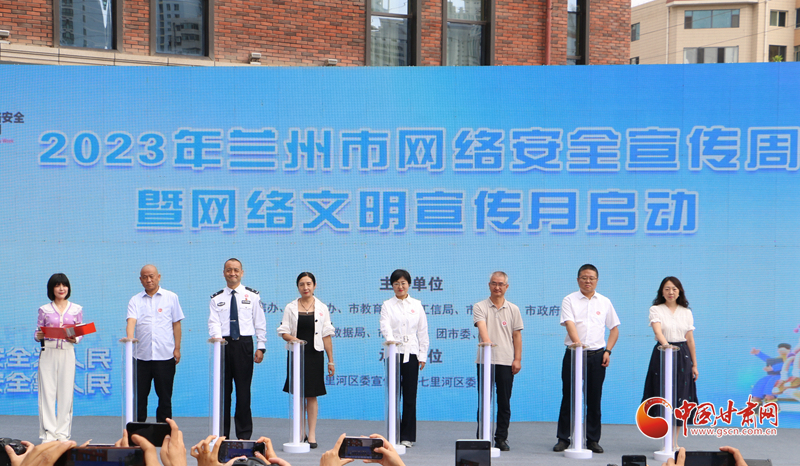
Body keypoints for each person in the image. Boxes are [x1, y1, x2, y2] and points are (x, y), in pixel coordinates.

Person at [554, 264, 620, 454]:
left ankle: (592, 440)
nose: (587, 281)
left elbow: (614, 329)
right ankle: (563, 438)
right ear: (578, 280)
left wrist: (608, 351)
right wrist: (578, 345)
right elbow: (569, 324)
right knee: (569, 397)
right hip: (574, 354)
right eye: (584, 278)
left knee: (594, 398)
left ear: (597, 280)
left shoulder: (605, 302)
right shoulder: (569, 299)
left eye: (591, 278)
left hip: (597, 356)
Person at [209, 258, 267, 440]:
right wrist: (218, 339)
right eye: (228, 270)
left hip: (244, 345)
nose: (232, 273)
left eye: (236, 270)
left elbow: (260, 322)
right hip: (223, 346)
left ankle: (243, 436)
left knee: (243, 393)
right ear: (223, 273)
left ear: (242, 273)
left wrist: (261, 346)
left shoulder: (252, 296)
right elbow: (213, 323)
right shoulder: (216, 298)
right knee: (223, 394)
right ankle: (221, 436)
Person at [277, 272, 336, 449]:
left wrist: (331, 360)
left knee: (312, 394)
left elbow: (326, 335)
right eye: (302, 284)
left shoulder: (322, 307)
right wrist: (293, 339)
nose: (305, 287)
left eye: (309, 284)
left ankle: (311, 435)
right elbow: (283, 331)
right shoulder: (290, 307)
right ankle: (300, 432)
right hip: (296, 354)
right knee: (298, 395)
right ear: (298, 287)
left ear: (315, 285)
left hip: (314, 355)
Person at [126, 264, 185, 423]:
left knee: (165, 397)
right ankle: (137, 431)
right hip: (141, 357)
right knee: (139, 397)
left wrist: (177, 348)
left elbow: (176, 324)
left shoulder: (171, 297)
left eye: (151, 276)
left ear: (158, 277)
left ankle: (164, 431)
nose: (148, 280)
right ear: (140, 280)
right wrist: (129, 339)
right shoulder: (135, 300)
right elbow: (131, 321)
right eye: (145, 277)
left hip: (165, 356)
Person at [473, 271, 523, 452]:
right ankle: (482, 437)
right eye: (494, 283)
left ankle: (501, 438)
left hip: (506, 360)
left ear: (506, 287)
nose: (497, 287)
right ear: (489, 285)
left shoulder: (513, 309)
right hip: (485, 361)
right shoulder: (480, 306)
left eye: (501, 284)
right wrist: (487, 342)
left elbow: (516, 336)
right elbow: (482, 327)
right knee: (484, 402)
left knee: (504, 403)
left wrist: (517, 359)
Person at [379, 269, 429, 448]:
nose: (400, 287)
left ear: (409, 284)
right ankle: (393, 433)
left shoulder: (417, 304)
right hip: (393, 353)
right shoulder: (387, 305)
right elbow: (385, 327)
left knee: (409, 395)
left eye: (403, 283)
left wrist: (422, 355)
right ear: (391, 286)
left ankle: (407, 436)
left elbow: (422, 331)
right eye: (396, 284)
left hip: (412, 353)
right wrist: (392, 342)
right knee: (394, 394)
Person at [641, 277, 698, 433]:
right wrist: (667, 346)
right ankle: (663, 435)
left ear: (679, 291)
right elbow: (658, 331)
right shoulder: (656, 309)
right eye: (667, 289)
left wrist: (694, 365)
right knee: (661, 392)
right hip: (662, 352)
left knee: (682, 395)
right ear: (662, 292)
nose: (670, 292)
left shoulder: (686, 312)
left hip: (682, 354)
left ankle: (674, 441)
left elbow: (690, 340)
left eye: (674, 289)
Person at [34, 273, 83, 442]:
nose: (61, 288)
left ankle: (62, 433)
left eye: (64, 285)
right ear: (52, 289)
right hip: (48, 352)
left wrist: (75, 338)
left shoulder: (76, 309)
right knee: (47, 393)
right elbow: (37, 332)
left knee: (66, 393)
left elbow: (80, 332)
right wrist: (39, 335)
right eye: (57, 285)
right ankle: (48, 433)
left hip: (67, 352)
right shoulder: (44, 310)